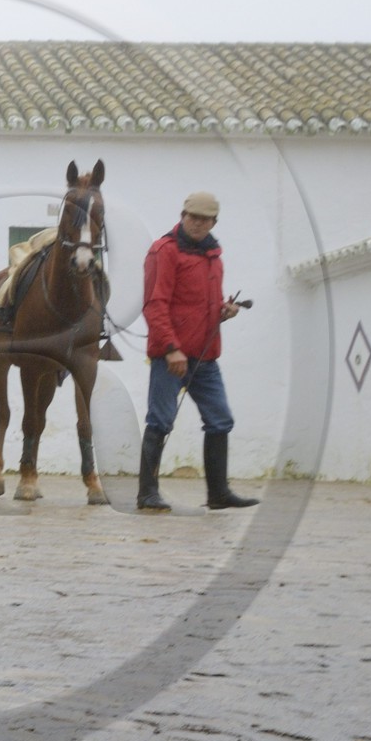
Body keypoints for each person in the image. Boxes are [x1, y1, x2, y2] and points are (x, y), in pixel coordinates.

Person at [137, 191, 258, 511]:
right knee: (160, 421)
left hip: (206, 357)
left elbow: (199, 304)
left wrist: (223, 310)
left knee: (220, 420)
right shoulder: (163, 252)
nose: (197, 223)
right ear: (182, 215)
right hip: (171, 357)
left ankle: (218, 494)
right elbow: (155, 304)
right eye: (192, 217)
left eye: (204, 219)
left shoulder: (213, 256)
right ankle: (147, 493)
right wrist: (171, 348)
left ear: (214, 222)